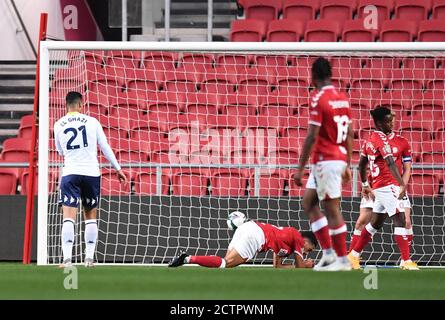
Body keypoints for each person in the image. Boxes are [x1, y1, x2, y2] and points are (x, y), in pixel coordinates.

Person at [54, 91, 127, 268]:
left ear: (66, 105)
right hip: (91, 174)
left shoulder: (58, 124)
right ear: (81, 105)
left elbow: (60, 151)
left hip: (71, 173)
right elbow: (104, 146)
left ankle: (67, 260)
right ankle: (88, 259)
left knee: (69, 217)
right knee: (90, 216)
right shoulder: (92, 122)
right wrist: (117, 168)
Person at [294, 57, 354, 271]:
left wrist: (299, 168)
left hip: (325, 160)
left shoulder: (318, 98)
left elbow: (311, 136)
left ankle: (342, 259)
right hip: (335, 158)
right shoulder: (343, 97)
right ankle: (329, 254)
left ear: (313, 76)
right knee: (309, 203)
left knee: (331, 209)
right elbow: (350, 133)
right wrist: (347, 163)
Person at [347, 107, 418, 270]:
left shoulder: (369, 139)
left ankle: (354, 255)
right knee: (400, 218)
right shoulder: (381, 140)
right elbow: (390, 163)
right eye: (387, 121)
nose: (391, 123)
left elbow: (361, 164)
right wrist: (401, 184)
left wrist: (365, 184)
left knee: (375, 223)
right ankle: (406, 261)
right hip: (387, 184)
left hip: (378, 185)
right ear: (379, 123)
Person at [168, 211, 317, 269]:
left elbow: (277, 266)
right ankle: (188, 259)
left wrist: (298, 265)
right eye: (309, 249)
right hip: (257, 236)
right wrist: (306, 265)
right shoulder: (297, 235)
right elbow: (299, 267)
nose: (306, 252)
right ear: (306, 240)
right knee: (225, 264)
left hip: (247, 228)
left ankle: (188, 259)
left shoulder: (287, 246)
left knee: (224, 263)